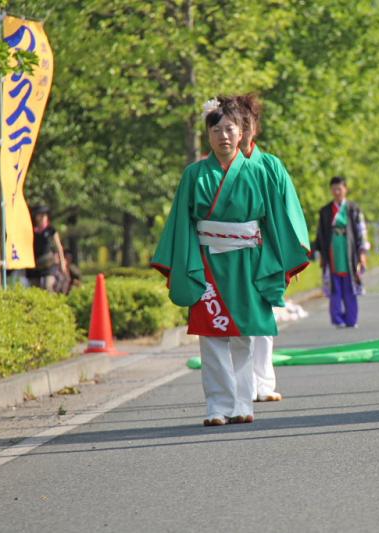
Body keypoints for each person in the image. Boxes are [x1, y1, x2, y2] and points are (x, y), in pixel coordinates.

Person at [151, 95, 308, 427]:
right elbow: (181, 224)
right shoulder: (194, 175)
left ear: (241, 132)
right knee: (212, 337)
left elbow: (275, 223)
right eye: (216, 130)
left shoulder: (260, 172)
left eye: (229, 129)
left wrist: (279, 261)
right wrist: (186, 263)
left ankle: (243, 403)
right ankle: (217, 406)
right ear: (207, 135)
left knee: (244, 335)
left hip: (248, 263)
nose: (223, 136)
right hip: (208, 262)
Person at [236, 94, 310, 403]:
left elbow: (288, 209)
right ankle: (238, 384)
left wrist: (292, 251)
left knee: (263, 315)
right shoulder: (210, 168)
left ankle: (263, 381)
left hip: (263, 250)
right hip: (225, 253)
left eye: (247, 124)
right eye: (237, 124)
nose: (243, 131)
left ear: (255, 128)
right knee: (234, 320)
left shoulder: (269, 165)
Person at [313, 176, 369, 328]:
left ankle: (351, 319)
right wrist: (320, 254)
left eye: (339, 188)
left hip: (349, 251)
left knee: (350, 285)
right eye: (334, 189)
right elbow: (320, 234)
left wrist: (362, 254)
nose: (337, 192)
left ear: (345, 189)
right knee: (334, 286)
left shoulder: (353, 209)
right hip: (332, 251)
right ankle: (337, 319)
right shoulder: (325, 211)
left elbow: (361, 232)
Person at [26, 205, 68, 292]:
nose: (42, 217)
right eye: (40, 215)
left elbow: (59, 247)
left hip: (48, 263)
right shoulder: (31, 230)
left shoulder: (51, 230)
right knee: (34, 289)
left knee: (48, 286)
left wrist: (62, 262)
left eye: (44, 215)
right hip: (34, 263)